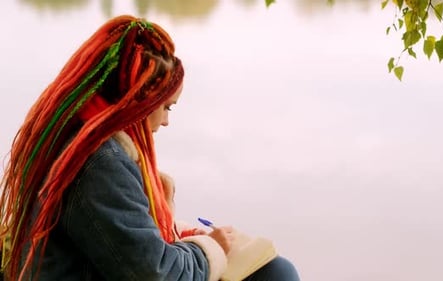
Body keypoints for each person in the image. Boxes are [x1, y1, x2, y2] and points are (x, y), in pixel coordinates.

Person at [0, 15, 300, 281]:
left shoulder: (76, 140)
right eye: (166, 107)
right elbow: (153, 273)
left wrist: (165, 217)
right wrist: (212, 248)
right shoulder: (99, 162)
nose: (166, 121)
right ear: (138, 102)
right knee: (277, 273)